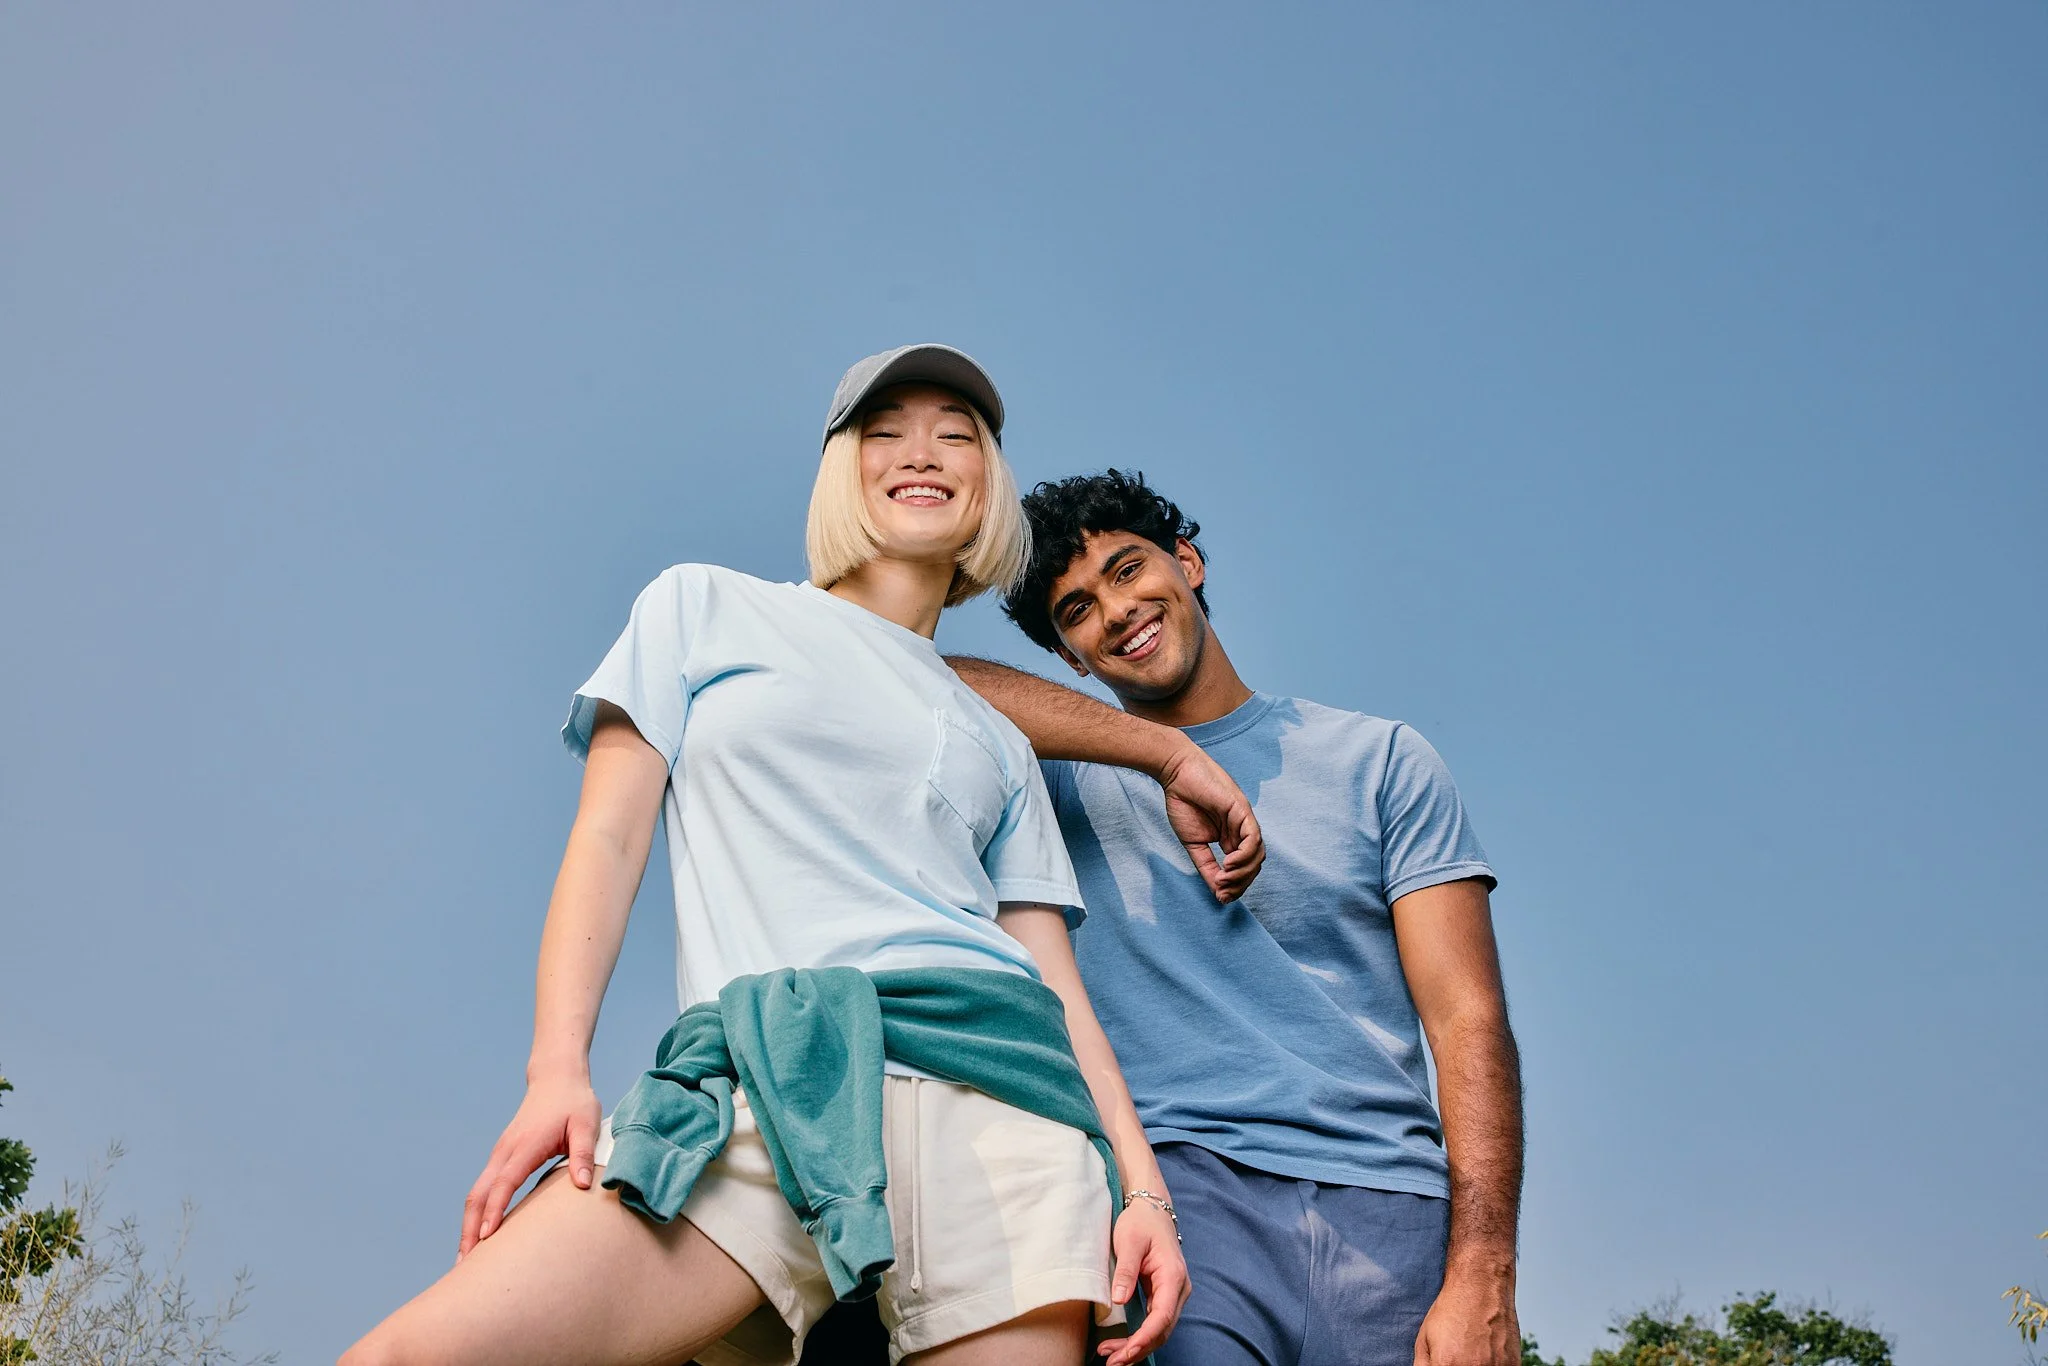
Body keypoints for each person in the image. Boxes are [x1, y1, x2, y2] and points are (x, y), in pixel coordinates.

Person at [342, 352, 1263, 1366]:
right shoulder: (703, 608)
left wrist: (1140, 1190)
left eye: (957, 433)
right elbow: (607, 835)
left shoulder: (1002, 741)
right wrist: (555, 1065)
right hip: (770, 1087)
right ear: (840, 468)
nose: (922, 451)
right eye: (884, 430)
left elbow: (1056, 985)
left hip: (1009, 1123)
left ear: (985, 483)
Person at [945, 470, 1525, 1366]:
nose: (1116, 610)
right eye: (1077, 610)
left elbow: (1468, 1019)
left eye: (1130, 569)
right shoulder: (1057, 785)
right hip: (1184, 1203)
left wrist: (1484, 1272)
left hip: (1392, 1209)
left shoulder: (1381, 760)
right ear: (1071, 658)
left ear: (1189, 563)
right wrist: (1164, 755)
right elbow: (917, 678)